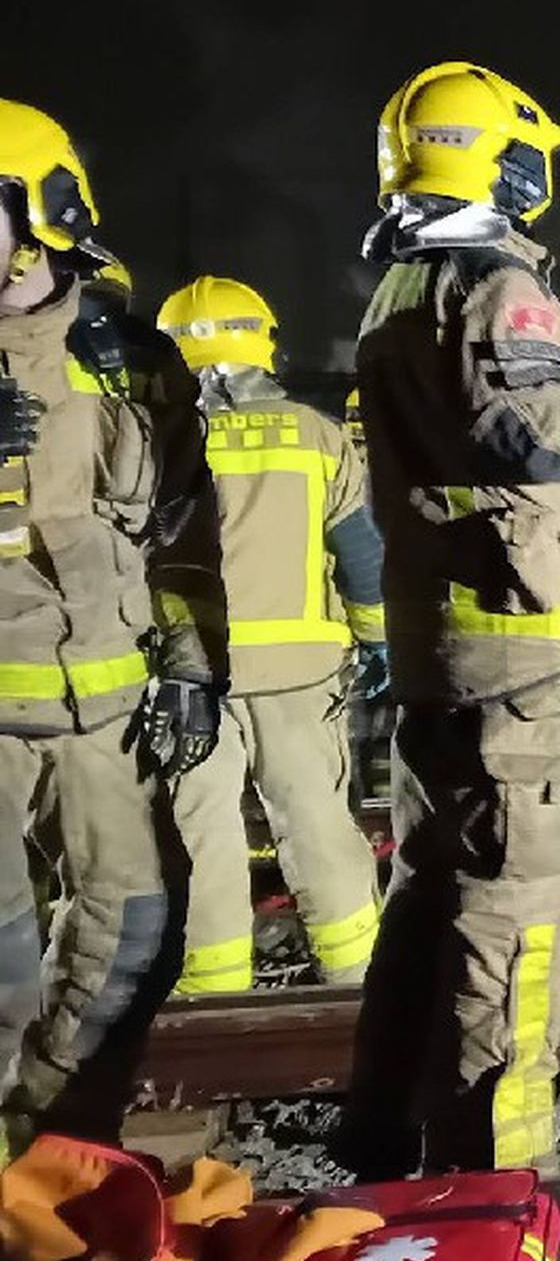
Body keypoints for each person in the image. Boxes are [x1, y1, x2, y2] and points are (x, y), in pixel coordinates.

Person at [338, 60, 560, 1176]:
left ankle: (386, 1144)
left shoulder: (400, 290)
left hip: (462, 652)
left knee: (433, 898)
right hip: (528, 668)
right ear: (500, 161)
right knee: (527, 923)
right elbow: (537, 438)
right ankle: (492, 1194)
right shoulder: (496, 289)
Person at [0, 100, 226, 1157]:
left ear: (42, 212)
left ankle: (46, 1155)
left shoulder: (131, 360)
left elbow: (180, 533)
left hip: (106, 710)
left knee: (137, 934)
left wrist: (188, 660)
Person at [156, 275, 386, 994]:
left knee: (202, 834)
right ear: (264, 344)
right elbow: (361, 554)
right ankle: (355, 980)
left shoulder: (154, 439)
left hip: (192, 675)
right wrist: (380, 642)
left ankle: (213, 991)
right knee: (318, 823)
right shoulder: (316, 435)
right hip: (301, 673)